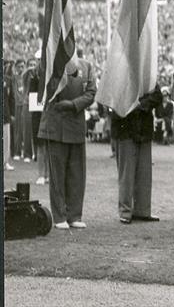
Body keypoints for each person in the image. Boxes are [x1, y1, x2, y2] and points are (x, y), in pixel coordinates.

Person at [39, 55, 97, 229]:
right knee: (57, 174)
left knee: (76, 173)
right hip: (56, 126)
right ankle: (59, 216)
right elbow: (45, 88)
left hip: (76, 126)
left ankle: (74, 215)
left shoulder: (86, 66)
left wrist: (73, 104)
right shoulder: (51, 64)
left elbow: (91, 93)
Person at [110, 87, 163, 224]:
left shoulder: (148, 72)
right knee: (126, 173)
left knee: (144, 172)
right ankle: (125, 211)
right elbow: (113, 97)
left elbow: (158, 96)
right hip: (125, 128)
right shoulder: (119, 72)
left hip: (144, 128)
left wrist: (139, 104)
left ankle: (142, 210)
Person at [3, 61, 15, 171]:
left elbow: (12, 98)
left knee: (6, 139)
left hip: (5, 114)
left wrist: (12, 113)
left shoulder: (8, 80)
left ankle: (5, 161)